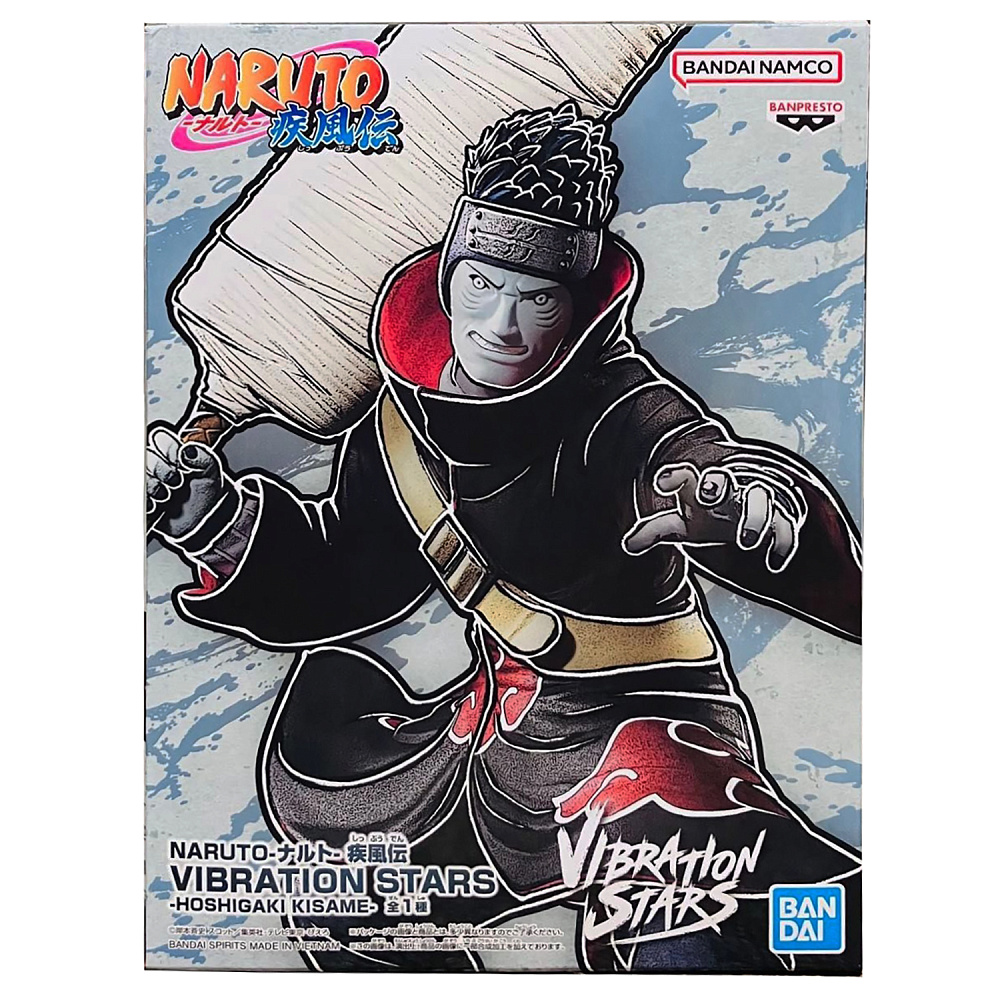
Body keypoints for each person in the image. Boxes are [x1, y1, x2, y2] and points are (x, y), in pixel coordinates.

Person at [147, 103, 862, 972]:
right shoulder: (399, 423)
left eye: (537, 298)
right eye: (481, 285)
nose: (500, 326)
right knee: (347, 905)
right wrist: (213, 522)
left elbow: (683, 457)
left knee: (687, 912)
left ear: (577, 307)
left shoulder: (617, 405)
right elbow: (350, 577)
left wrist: (741, 499)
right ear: (449, 274)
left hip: (643, 727)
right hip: (499, 745)